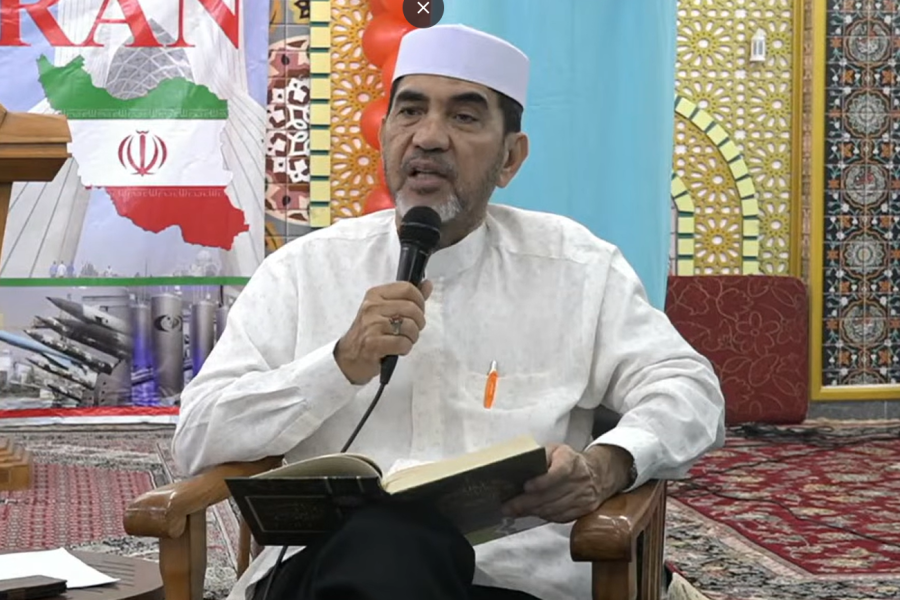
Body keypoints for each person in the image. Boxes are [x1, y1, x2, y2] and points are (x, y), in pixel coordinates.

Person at [172, 24, 725, 600]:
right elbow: (198, 435)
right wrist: (338, 365)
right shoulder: (303, 271)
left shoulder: (577, 267)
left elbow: (690, 390)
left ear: (510, 158)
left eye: (463, 117)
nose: (429, 137)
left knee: (397, 545)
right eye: (410, 111)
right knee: (384, 540)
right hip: (329, 572)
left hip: (514, 580)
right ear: (385, 135)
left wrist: (609, 463)